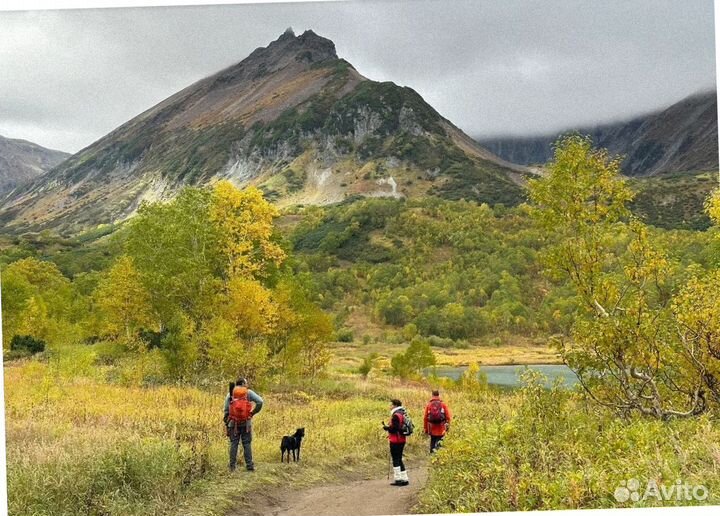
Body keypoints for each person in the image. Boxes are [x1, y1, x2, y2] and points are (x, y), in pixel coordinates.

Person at [223, 377, 264, 472]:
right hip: (246, 423)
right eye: (246, 383)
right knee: (247, 443)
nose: (247, 385)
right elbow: (260, 401)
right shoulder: (248, 392)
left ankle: (232, 467)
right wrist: (252, 413)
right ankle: (249, 466)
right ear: (242, 384)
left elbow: (226, 409)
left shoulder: (230, 393)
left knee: (234, 444)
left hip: (233, 423)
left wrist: (227, 420)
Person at [382, 399, 409, 486]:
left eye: (391, 404)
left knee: (396, 459)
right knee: (399, 458)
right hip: (402, 439)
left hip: (396, 440)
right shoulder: (402, 413)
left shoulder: (396, 415)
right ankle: (404, 478)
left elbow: (395, 429)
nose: (389, 406)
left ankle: (398, 479)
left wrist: (387, 428)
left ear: (395, 405)